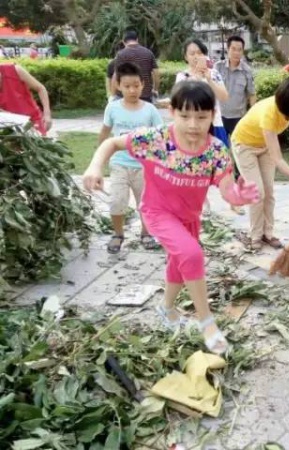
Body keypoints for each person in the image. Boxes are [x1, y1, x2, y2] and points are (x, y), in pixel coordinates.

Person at [82, 81, 260, 355]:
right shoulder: (156, 139)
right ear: (172, 112)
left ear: (212, 116)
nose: (193, 124)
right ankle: (207, 322)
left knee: (180, 264)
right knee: (191, 255)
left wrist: (241, 196)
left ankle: (166, 309)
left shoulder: (216, 151)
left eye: (201, 117)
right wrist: (95, 166)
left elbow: (228, 193)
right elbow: (111, 143)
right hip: (156, 212)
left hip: (189, 218)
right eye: (185, 115)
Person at [231, 76, 289, 250]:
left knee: (269, 191)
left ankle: (268, 233)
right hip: (244, 146)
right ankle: (254, 236)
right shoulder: (270, 114)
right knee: (257, 192)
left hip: (263, 146)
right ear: (288, 104)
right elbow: (278, 159)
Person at [98, 62, 163, 254]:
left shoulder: (150, 109)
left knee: (146, 203)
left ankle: (146, 234)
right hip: (119, 164)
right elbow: (104, 133)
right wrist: (98, 161)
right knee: (117, 201)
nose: (132, 90)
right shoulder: (113, 108)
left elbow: (161, 137)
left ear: (143, 84)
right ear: (118, 85)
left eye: (136, 85)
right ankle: (118, 235)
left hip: (144, 167)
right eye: (127, 86)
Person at [176, 38, 229, 218]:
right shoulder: (182, 76)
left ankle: (218, 196)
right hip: (192, 127)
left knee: (212, 165)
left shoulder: (213, 73)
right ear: (185, 56)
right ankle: (199, 199)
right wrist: (196, 79)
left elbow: (223, 97)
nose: (196, 57)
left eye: (199, 53)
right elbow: (181, 101)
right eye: (192, 53)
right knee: (193, 165)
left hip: (214, 124)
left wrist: (208, 78)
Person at [215, 36, 256, 215]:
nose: (237, 52)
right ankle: (225, 191)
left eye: (240, 49)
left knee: (240, 156)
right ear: (228, 49)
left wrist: (254, 117)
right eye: (234, 49)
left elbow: (252, 95)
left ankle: (239, 195)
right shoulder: (217, 67)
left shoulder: (247, 71)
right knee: (222, 156)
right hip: (219, 118)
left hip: (239, 118)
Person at [0, 63, 52, 135]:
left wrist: (47, 114)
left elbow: (41, 89)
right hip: (9, 127)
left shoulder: (15, 70)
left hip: (33, 121)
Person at [113, 30, 159, 103]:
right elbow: (156, 73)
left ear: (124, 42)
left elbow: (115, 76)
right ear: (137, 39)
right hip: (145, 95)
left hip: (126, 96)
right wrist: (155, 89)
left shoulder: (121, 54)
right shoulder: (148, 53)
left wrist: (114, 94)